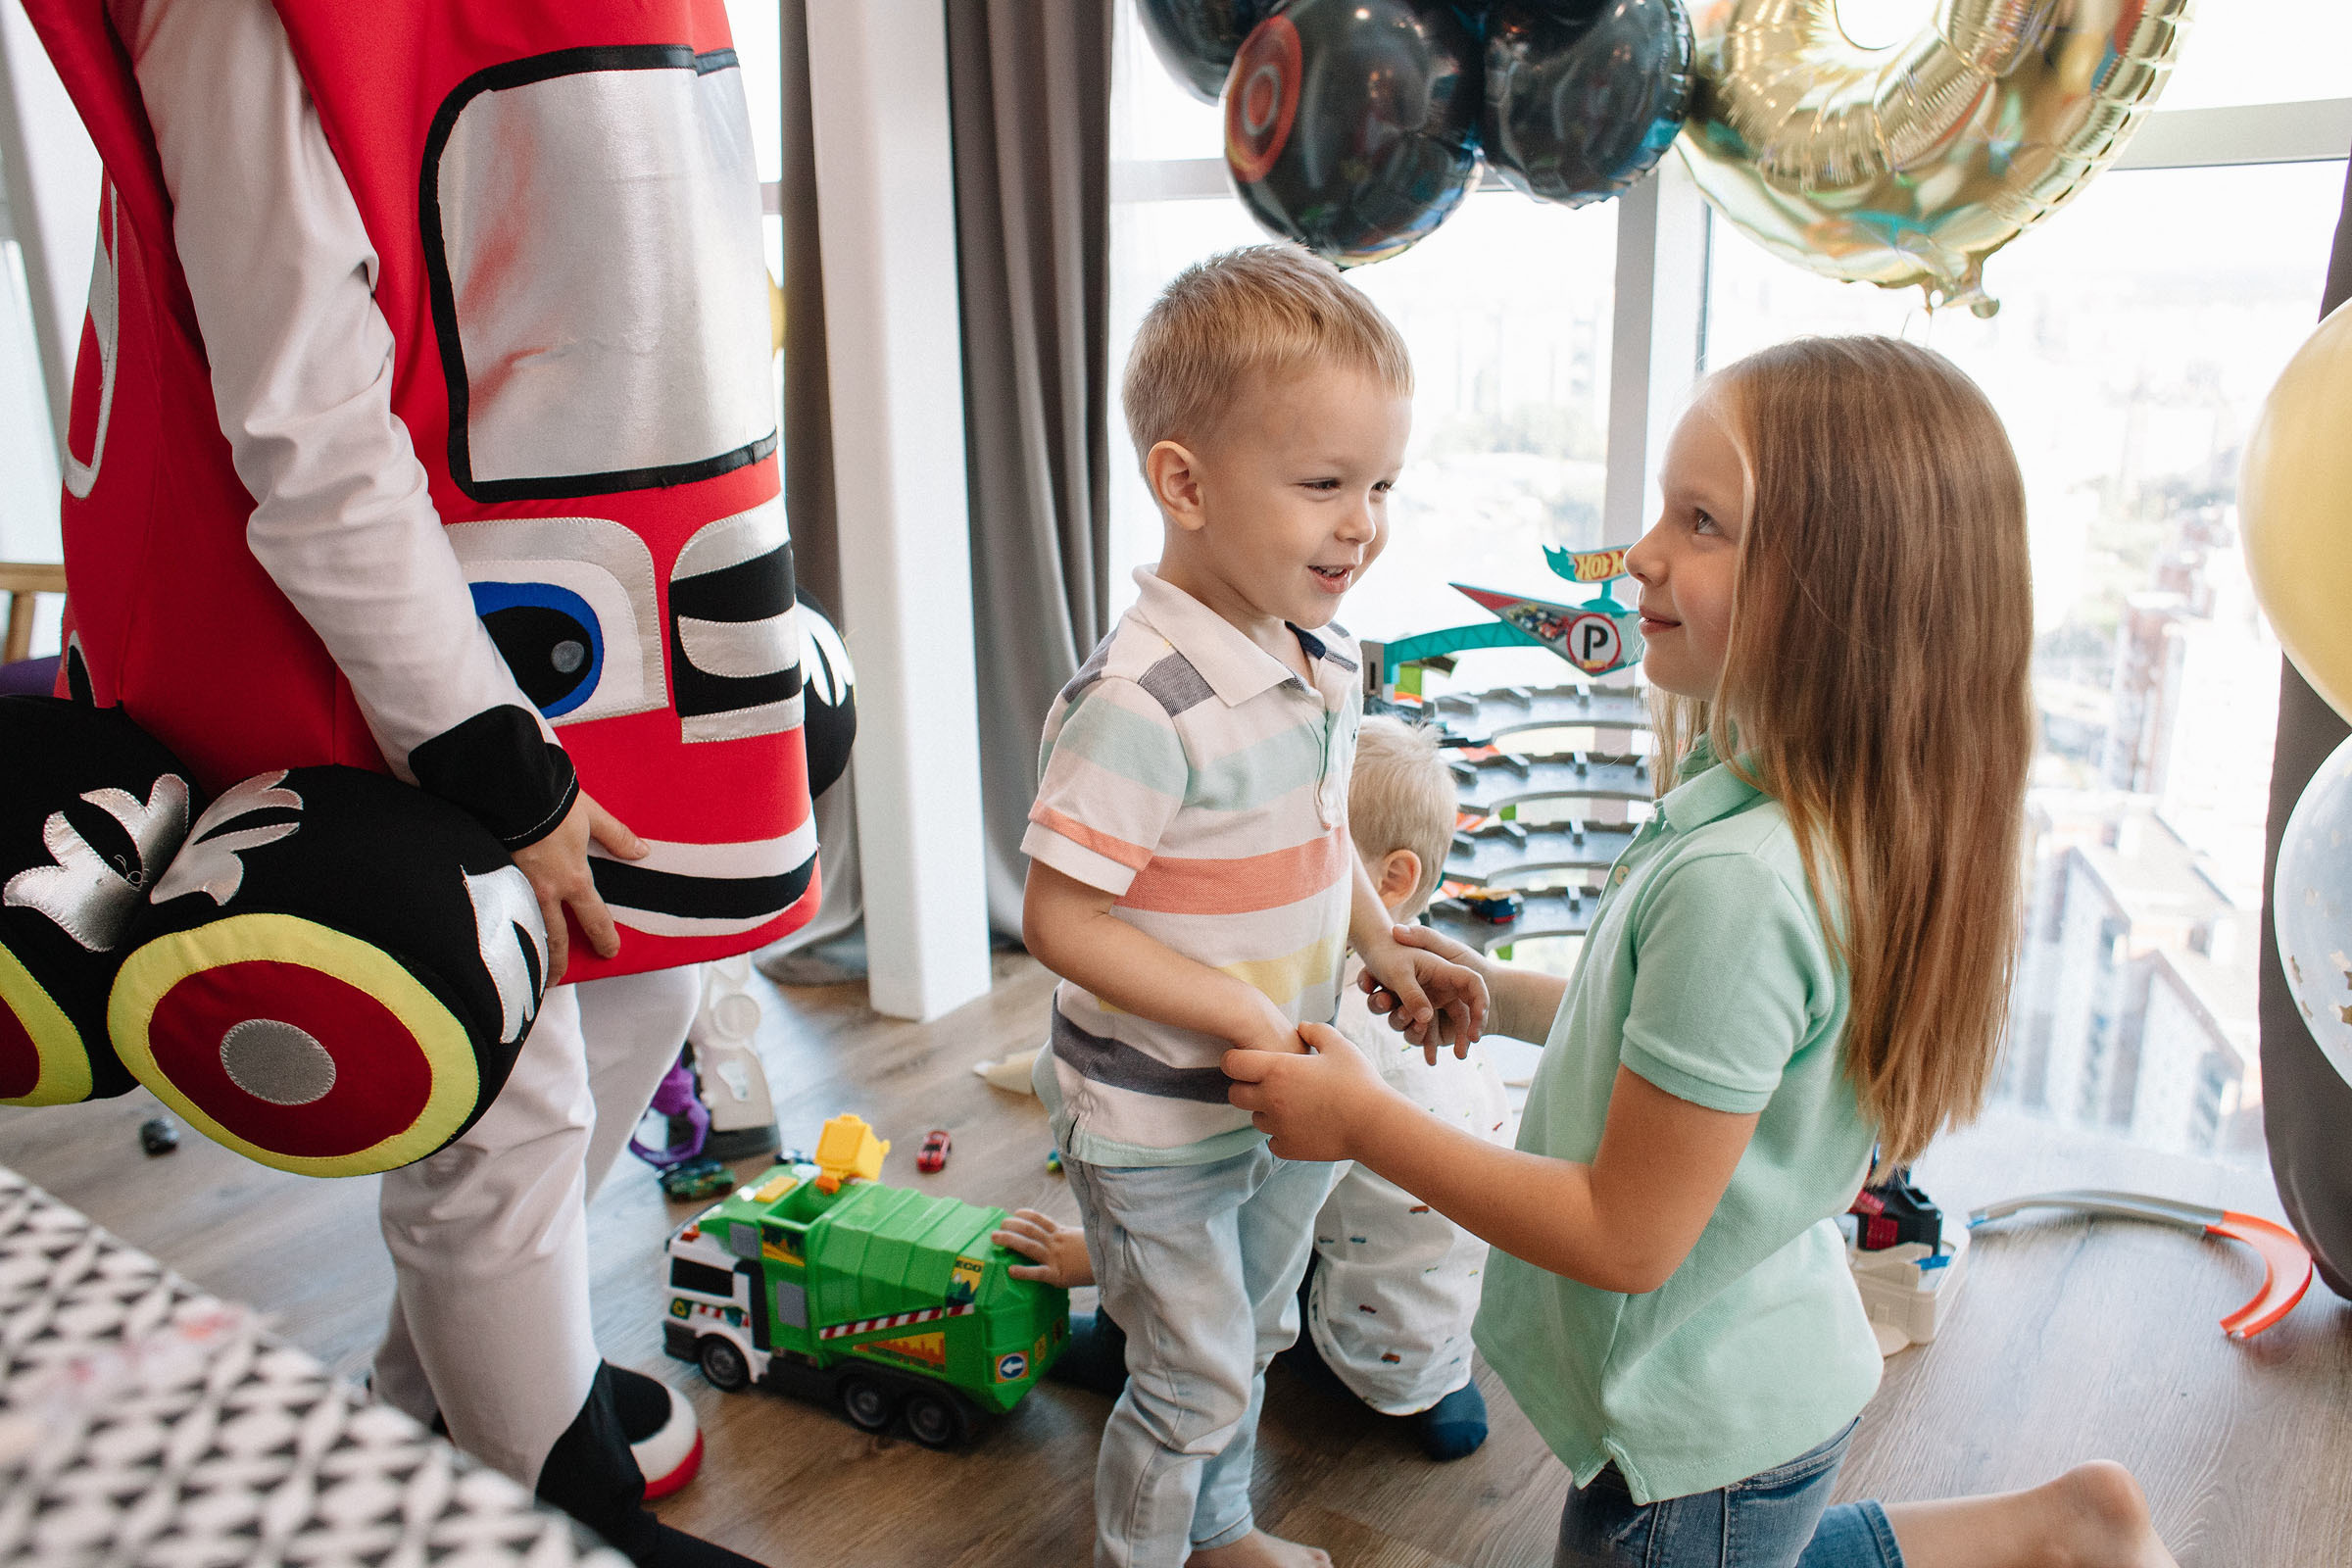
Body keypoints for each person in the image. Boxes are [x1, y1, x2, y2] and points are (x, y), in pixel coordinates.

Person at [22, 4, 818, 1564]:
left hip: (604, 597)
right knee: (501, 1097)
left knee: (642, 977)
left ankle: (443, 1400)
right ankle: (544, 1506)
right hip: (399, 641)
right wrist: (485, 754)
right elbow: (299, 411)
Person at [1225, 336, 2181, 1568]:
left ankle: (2059, 1532)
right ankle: (2061, 1529)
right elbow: (1698, 1050)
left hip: (1699, 1425)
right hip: (1760, 1355)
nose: (1645, 556)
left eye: (1702, 520)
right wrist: (1499, 993)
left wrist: (1363, 1120)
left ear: (1846, 587)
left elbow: (1624, 1233)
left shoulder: (1744, 880)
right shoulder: (1796, 808)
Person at [1019, 245, 1489, 1568]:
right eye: (1325, 485)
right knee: (1193, 1375)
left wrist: (1378, 941)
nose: (1365, 523)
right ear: (1186, 483)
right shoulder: (1139, 703)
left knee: (1256, 1329)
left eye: (1382, 484)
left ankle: (1218, 1529)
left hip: (1286, 1093)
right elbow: (1061, 921)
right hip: (1158, 1118)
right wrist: (1231, 1006)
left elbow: (1318, 829)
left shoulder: (1327, 654)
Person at [997, 716, 1509, 1463]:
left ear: (1390, 880)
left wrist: (1102, 1259)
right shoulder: (1431, 979)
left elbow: (1236, 1207)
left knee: (1187, 1180)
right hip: (1436, 1335)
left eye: (1289, 858)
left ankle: (1122, 1349)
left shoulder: (1335, 1014)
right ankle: (1429, 1390)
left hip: (1347, 1338)